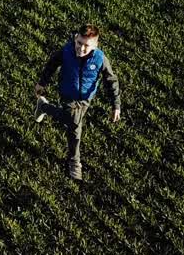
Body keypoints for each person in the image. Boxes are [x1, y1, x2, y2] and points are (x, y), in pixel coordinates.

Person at [33, 24, 121, 181]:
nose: (81, 49)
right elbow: (52, 64)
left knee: (72, 121)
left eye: (87, 46)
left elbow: (111, 81)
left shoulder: (100, 59)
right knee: (74, 126)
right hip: (67, 95)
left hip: (86, 99)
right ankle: (74, 162)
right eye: (79, 43)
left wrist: (116, 105)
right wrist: (42, 82)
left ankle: (44, 107)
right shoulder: (66, 51)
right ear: (75, 38)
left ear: (95, 45)